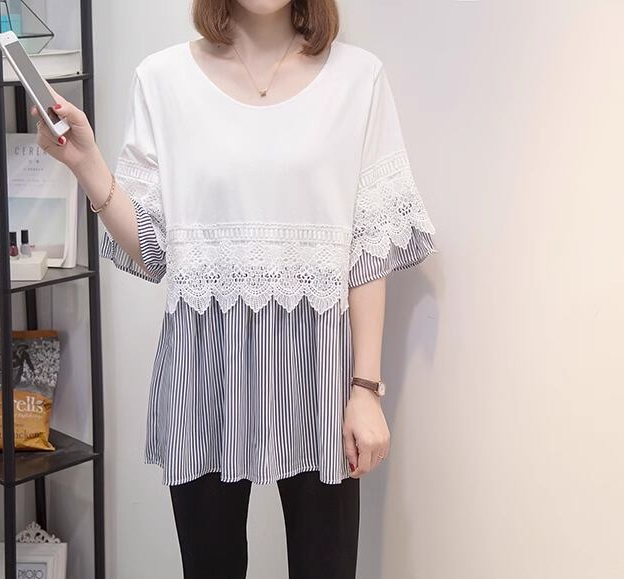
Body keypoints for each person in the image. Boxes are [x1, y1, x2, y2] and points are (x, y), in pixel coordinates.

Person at [32, 1, 437, 576]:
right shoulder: (162, 80)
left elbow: (369, 250)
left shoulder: (359, 78)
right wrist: (87, 163)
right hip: (203, 369)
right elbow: (153, 252)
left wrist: (365, 389)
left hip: (319, 370)